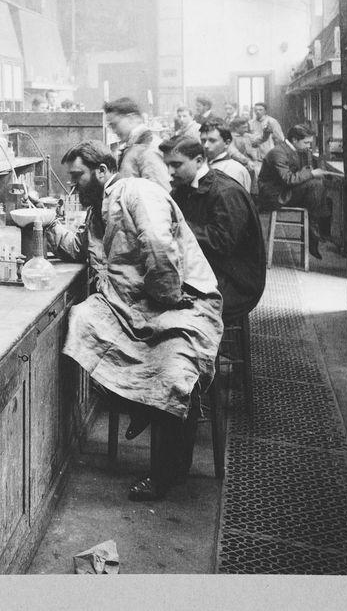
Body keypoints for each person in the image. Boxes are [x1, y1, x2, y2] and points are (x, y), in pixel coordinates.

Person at [50, 141, 223, 502]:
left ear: (101, 172)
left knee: (174, 371)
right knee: (82, 320)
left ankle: (166, 474)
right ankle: (139, 403)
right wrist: (48, 225)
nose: (73, 185)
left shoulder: (137, 192)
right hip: (140, 306)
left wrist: (166, 299)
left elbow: (159, 247)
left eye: (78, 176)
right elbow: (82, 248)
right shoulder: (98, 210)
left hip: (182, 301)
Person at [162, 136, 266, 323]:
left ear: (199, 161)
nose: (170, 171)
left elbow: (222, 243)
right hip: (209, 268)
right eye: (167, 165)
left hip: (236, 283)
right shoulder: (183, 187)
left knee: (161, 303)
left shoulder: (225, 192)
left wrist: (177, 228)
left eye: (176, 164)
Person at [258, 124, 329, 259]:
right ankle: (312, 230)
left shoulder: (296, 150)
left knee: (318, 185)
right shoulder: (278, 152)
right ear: (295, 140)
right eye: (306, 142)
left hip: (284, 190)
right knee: (315, 185)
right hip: (275, 195)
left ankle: (313, 229)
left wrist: (308, 171)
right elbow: (288, 179)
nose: (309, 146)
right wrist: (311, 173)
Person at [103, 96, 170, 188]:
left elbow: (159, 190)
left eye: (115, 124)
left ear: (131, 118)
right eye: (110, 126)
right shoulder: (135, 145)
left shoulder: (148, 147)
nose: (113, 130)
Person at [199, 120, 253, 194]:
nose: (206, 145)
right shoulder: (199, 166)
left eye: (212, 140)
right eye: (203, 140)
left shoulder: (235, 170)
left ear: (227, 143)